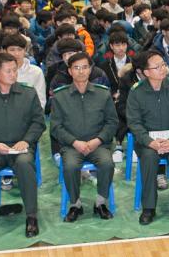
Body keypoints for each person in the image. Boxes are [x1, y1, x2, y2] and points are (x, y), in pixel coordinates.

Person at [0, 52, 45, 240]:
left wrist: (26, 141)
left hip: (21, 147)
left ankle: (31, 217)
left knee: (25, 165)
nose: (13, 74)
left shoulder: (28, 94)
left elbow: (38, 122)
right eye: (8, 71)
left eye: (15, 70)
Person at [51, 52, 119, 222]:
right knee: (71, 166)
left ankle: (101, 203)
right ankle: (75, 204)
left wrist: (98, 140)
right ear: (70, 71)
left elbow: (112, 122)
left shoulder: (103, 94)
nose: (81, 71)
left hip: (98, 144)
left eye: (84, 67)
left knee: (107, 163)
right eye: (76, 68)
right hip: (72, 146)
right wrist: (74, 142)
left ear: (90, 70)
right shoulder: (60, 96)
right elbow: (55, 127)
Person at [127, 50, 169, 224]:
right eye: (157, 67)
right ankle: (149, 208)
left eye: (164, 64)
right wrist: (150, 142)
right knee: (148, 157)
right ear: (146, 72)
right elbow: (134, 123)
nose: (163, 69)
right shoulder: (136, 92)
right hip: (147, 141)